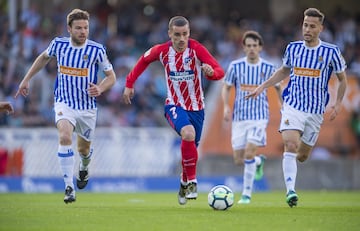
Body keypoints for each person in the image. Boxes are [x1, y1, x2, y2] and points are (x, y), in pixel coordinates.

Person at [246, 8, 347, 207]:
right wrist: (262, 86)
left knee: (301, 156)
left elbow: (342, 79)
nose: (307, 29)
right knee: (290, 145)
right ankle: (291, 192)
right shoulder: (293, 48)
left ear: (320, 28)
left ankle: (286, 168)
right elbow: (283, 71)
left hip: (316, 111)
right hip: (293, 105)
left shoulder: (331, 51)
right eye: (305, 25)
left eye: (312, 26)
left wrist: (338, 103)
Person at [15, 9, 116, 203]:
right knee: (64, 135)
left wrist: (101, 88)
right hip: (64, 102)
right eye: (78, 28)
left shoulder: (97, 50)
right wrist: (26, 79)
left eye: (86, 28)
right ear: (69, 29)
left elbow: (111, 77)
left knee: (84, 150)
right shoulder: (58, 44)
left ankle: (84, 168)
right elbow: (43, 58)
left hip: (87, 107)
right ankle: (69, 187)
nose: (83, 31)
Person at [123, 16, 224, 205]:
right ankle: (193, 182)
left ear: (189, 33)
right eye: (177, 35)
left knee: (191, 147)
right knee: (188, 134)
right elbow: (143, 60)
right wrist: (129, 83)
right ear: (170, 34)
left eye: (185, 34)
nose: (181, 39)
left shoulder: (197, 49)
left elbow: (219, 71)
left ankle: (184, 181)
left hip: (197, 109)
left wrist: (211, 73)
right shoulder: (162, 51)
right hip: (174, 105)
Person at [222, 31, 282, 204]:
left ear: (260, 47)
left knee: (248, 151)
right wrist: (226, 106)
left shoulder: (268, 67)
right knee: (239, 160)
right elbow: (226, 87)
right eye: (248, 46)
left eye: (255, 46)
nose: (251, 49)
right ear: (244, 47)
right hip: (239, 118)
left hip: (259, 117)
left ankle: (246, 195)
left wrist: (281, 103)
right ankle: (257, 161)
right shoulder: (235, 66)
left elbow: (278, 87)